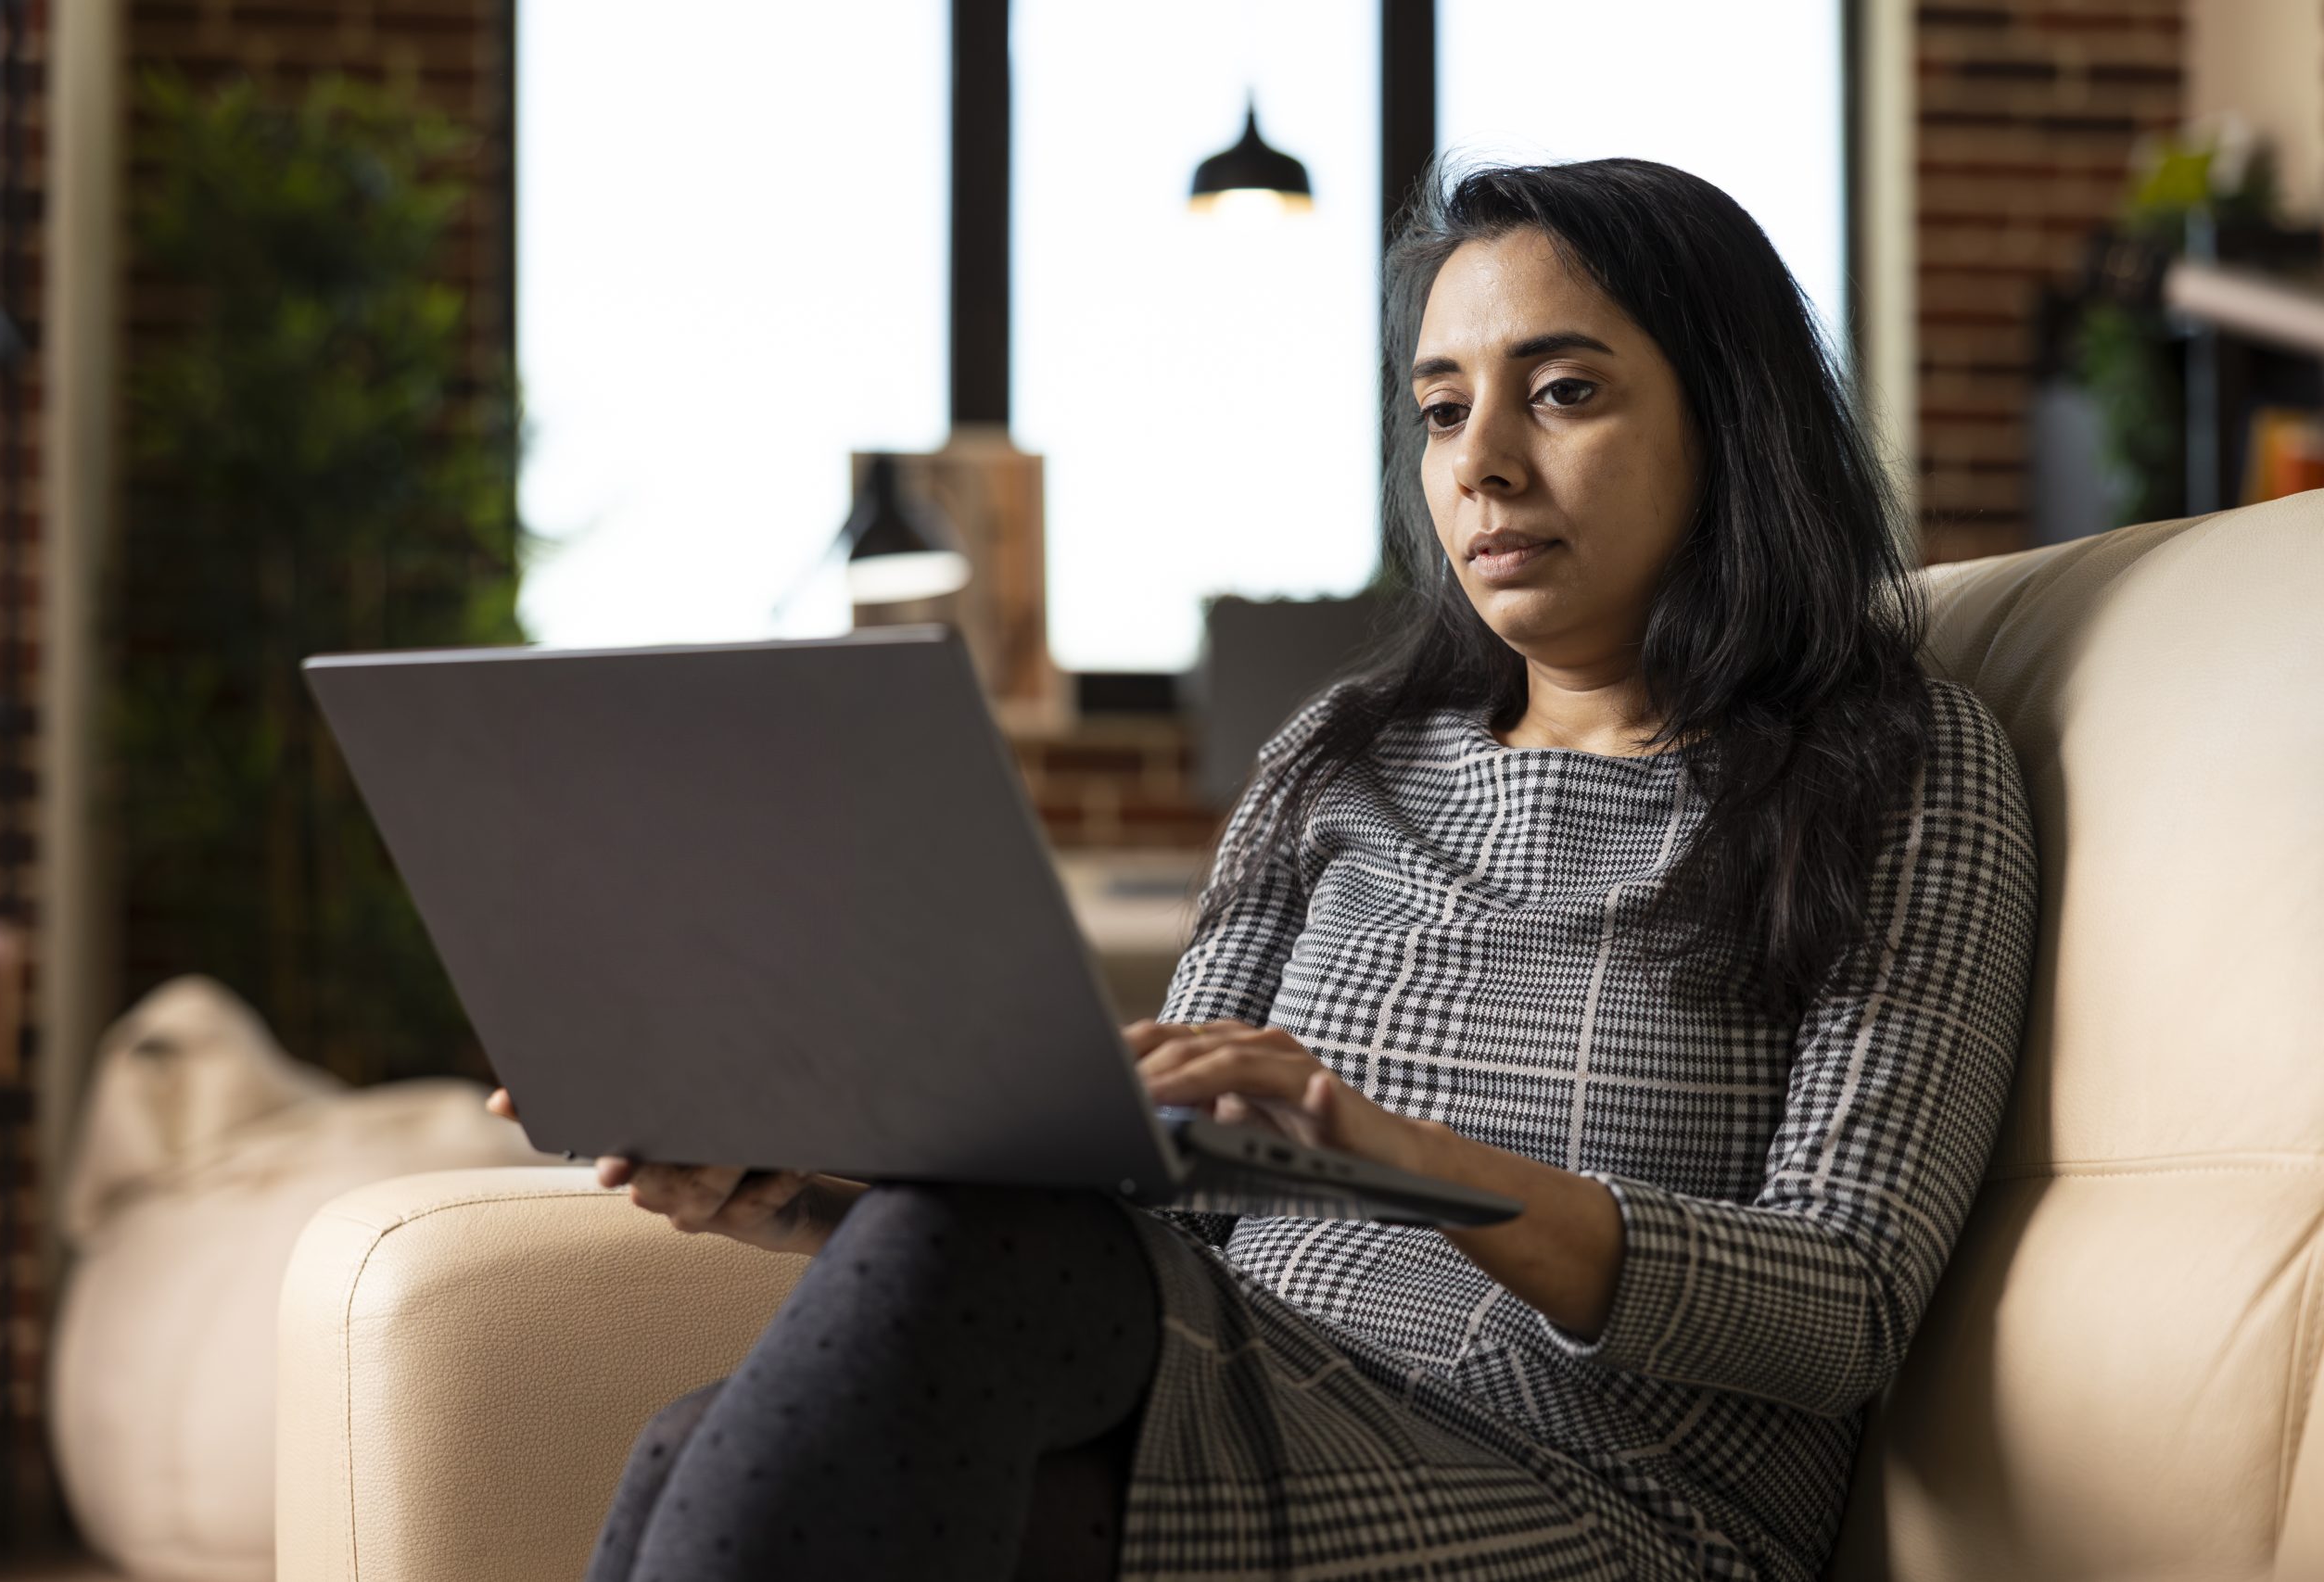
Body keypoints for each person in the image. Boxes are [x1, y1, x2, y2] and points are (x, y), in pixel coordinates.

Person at [489, 157, 2040, 1581]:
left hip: (1607, 1499)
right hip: (1244, 1386)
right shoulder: (1343, 756)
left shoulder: (1900, 768)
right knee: (727, 1437)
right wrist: (796, 1194)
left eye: (1560, 392)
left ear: (1731, 419)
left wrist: (1402, 1160)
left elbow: (1843, 1305)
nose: (1482, 464)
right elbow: (1135, 1194)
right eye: (1440, 411)